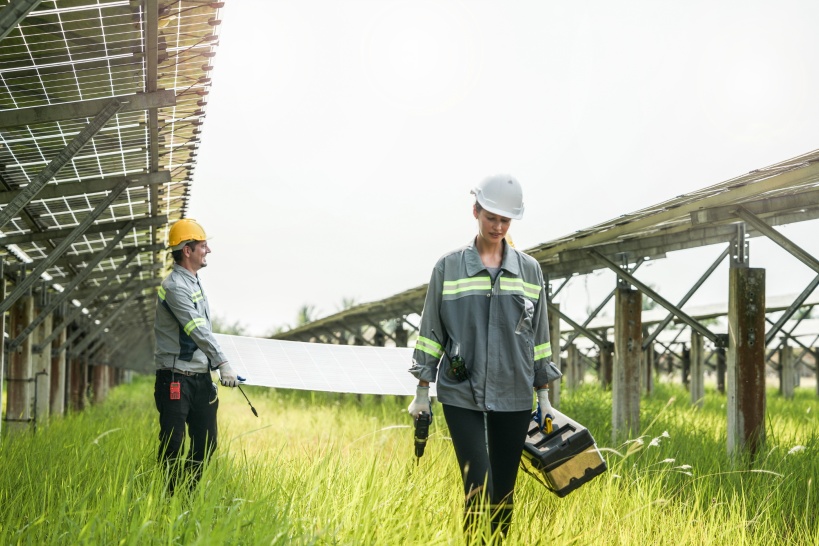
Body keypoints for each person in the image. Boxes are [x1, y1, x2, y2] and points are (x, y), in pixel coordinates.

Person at [408, 175, 562, 543]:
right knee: (478, 480)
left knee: (504, 493)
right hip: (462, 391)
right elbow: (431, 332)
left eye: (505, 221)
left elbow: (539, 338)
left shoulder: (529, 270)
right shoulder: (448, 267)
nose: (498, 227)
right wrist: (421, 391)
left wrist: (544, 398)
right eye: (491, 217)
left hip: (514, 390)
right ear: (476, 211)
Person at [153, 218, 240, 494]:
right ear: (187, 250)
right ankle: (168, 500)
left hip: (200, 379)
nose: (208, 251)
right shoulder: (175, 287)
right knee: (173, 444)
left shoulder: (194, 282)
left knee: (207, 442)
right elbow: (197, 330)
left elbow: (204, 332)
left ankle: (186, 495)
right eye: (203, 246)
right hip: (176, 378)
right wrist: (223, 362)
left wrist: (216, 367)